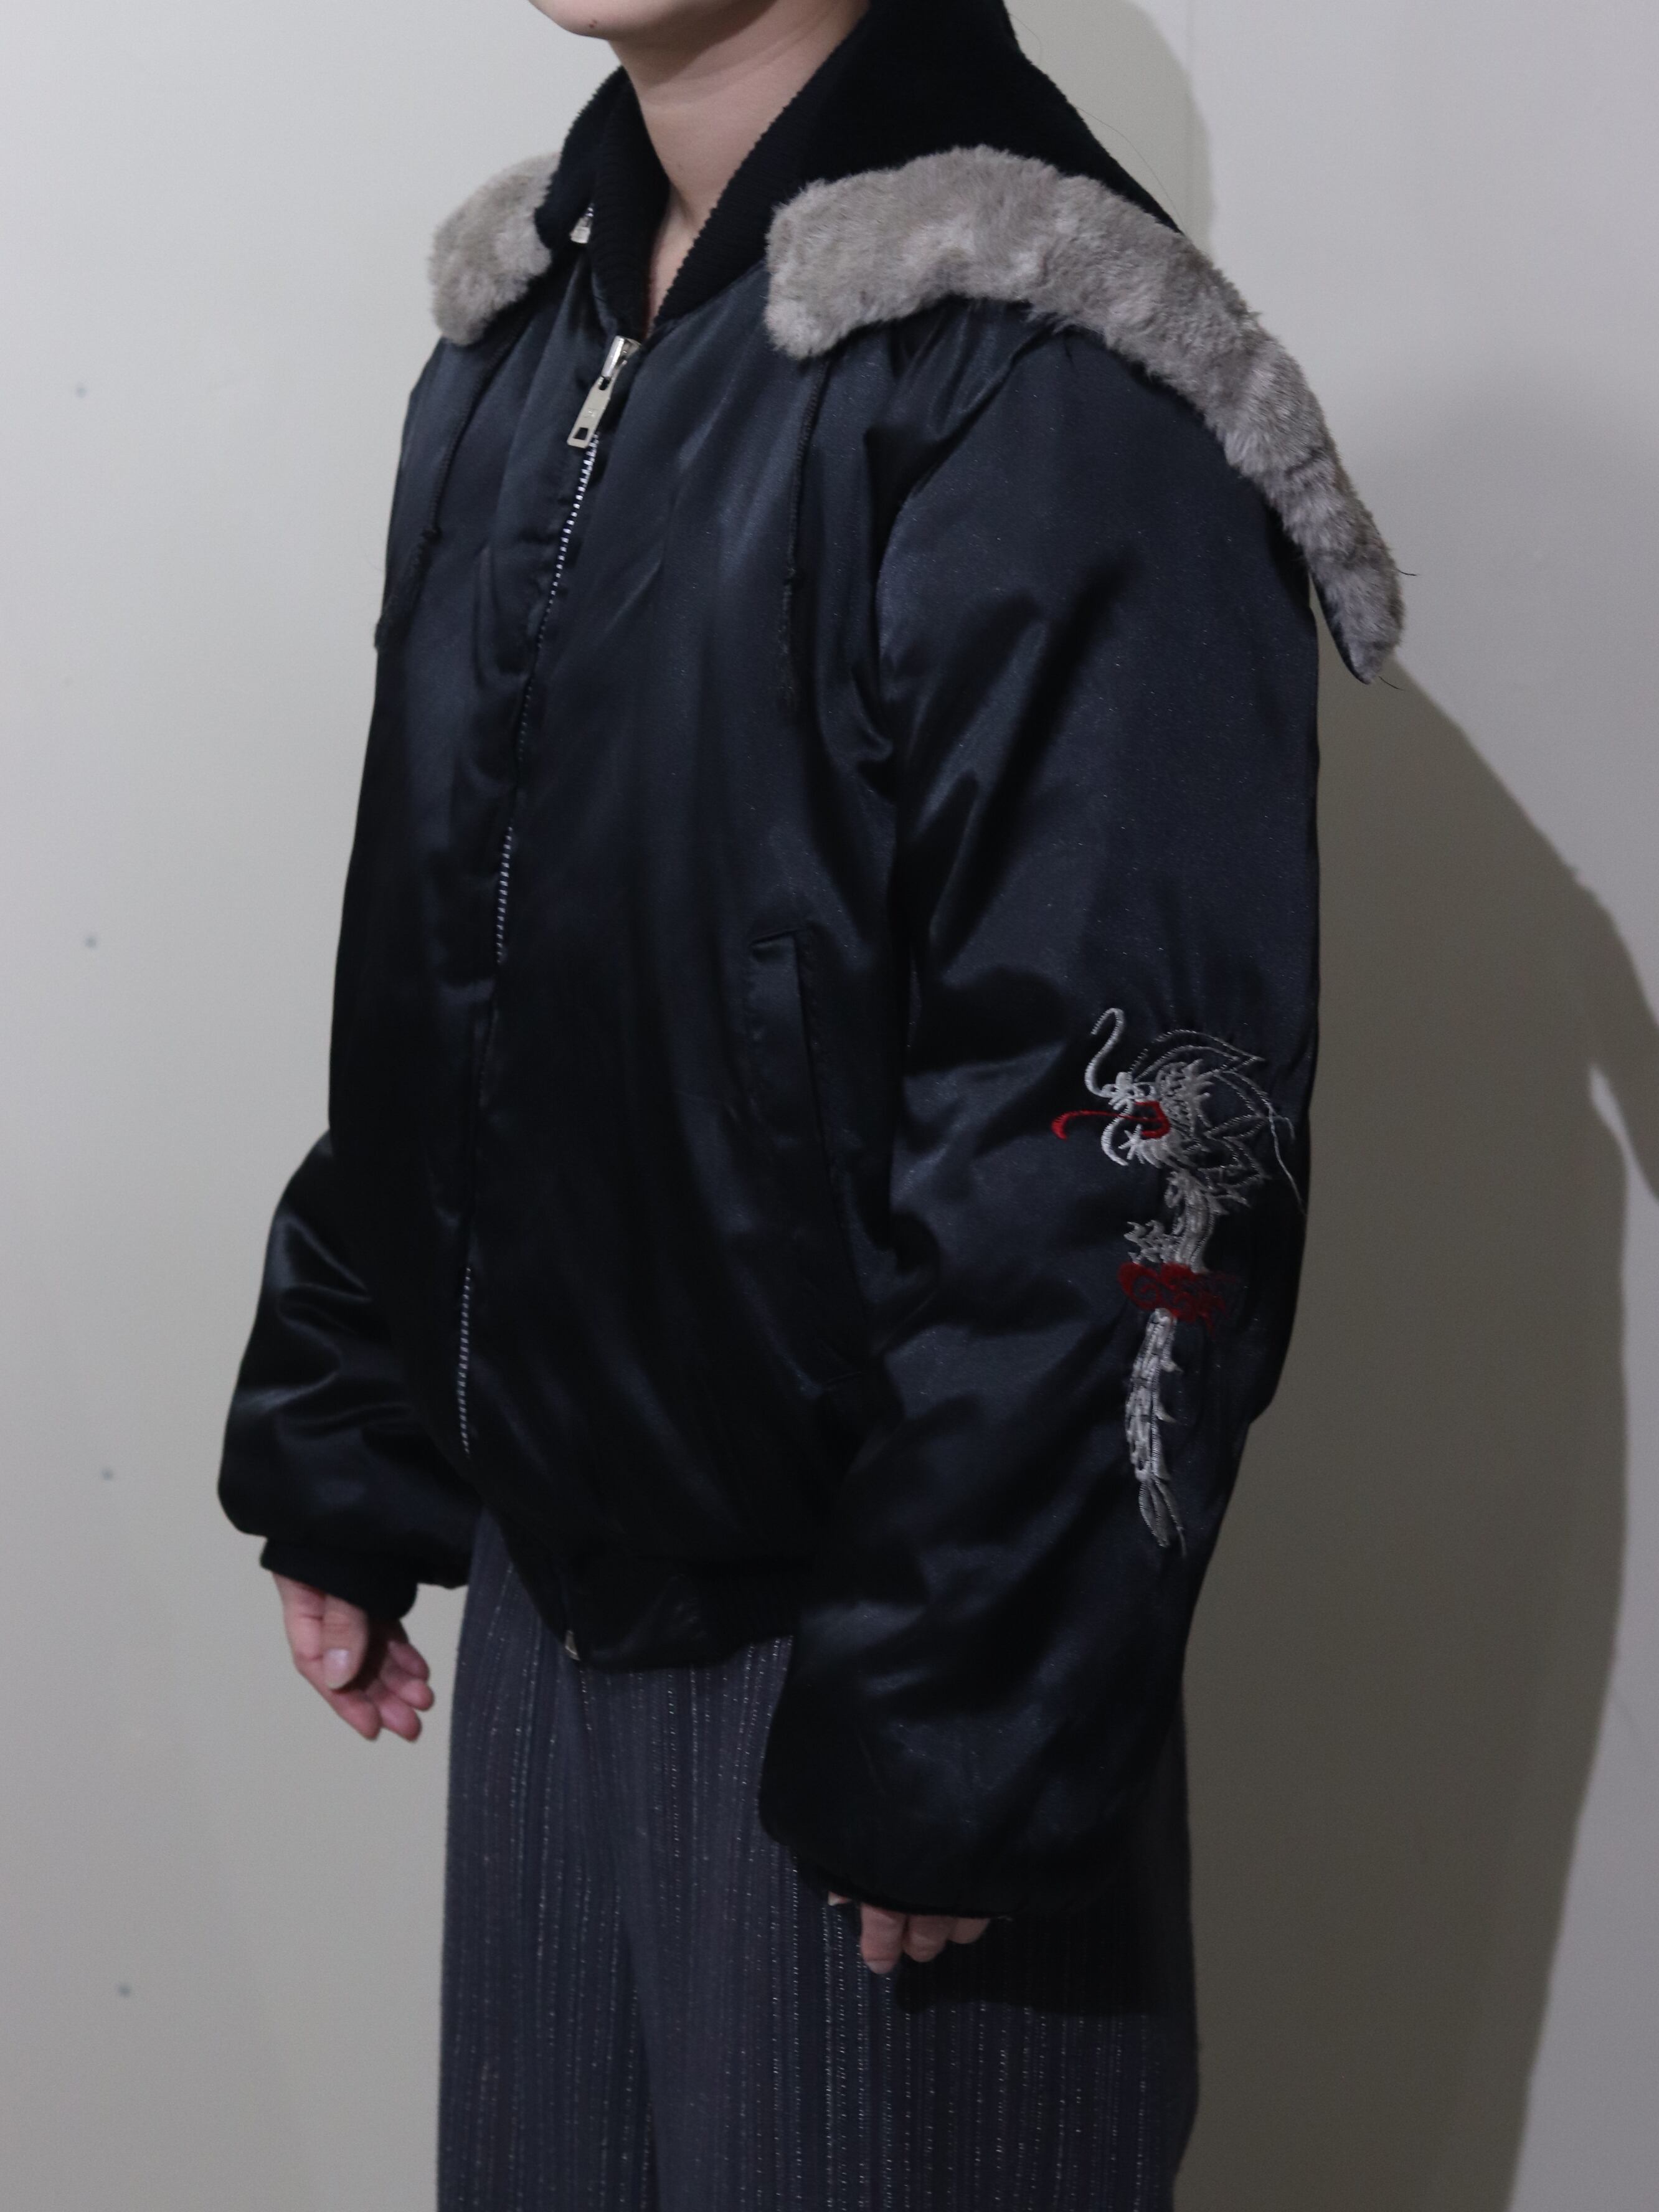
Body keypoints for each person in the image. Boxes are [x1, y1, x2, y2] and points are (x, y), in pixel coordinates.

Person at [219, 0, 1401, 2201]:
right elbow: (462, 938)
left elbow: (1128, 1138)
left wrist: (960, 1715)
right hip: (564, 1615)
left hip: (870, 1684)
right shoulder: (537, 335)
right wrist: (357, 1421)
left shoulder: (1044, 370)